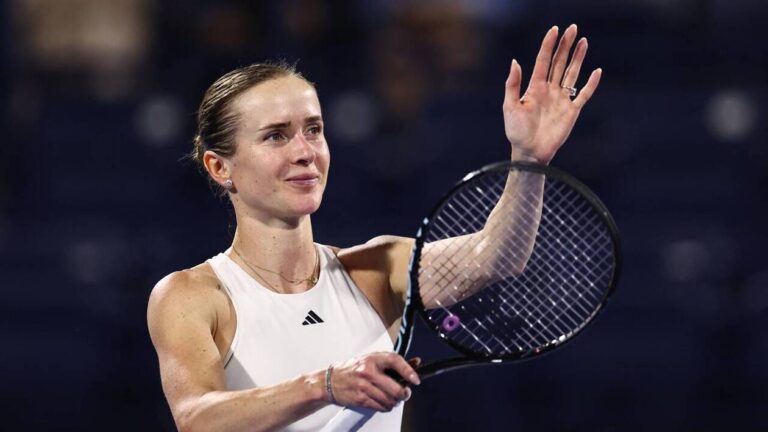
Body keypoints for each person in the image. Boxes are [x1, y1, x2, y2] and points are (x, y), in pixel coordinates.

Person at [147, 24, 600, 432]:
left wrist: (528, 159)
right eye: (276, 136)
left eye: (313, 130)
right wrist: (326, 384)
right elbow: (197, 418)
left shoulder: (376, 270)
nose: (305, 152)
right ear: (220, 167)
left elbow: (498, 255)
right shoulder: (190, 296)